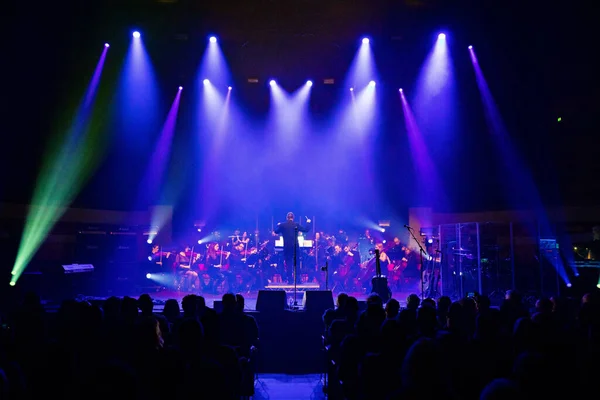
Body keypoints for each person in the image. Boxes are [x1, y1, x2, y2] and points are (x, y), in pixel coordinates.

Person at [274, 212, 312, 282]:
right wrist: (308, 222)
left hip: (287, 247)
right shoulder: (296, 225)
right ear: (293, 218)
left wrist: (278, 225)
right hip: (295, 247)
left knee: (288, 263)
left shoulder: (282, 225)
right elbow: (306, 230)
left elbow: (276, 232)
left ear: (287, 218)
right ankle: (298, 280)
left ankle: (290, 280)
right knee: (297, 263)